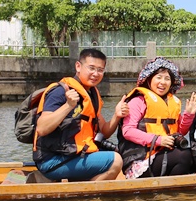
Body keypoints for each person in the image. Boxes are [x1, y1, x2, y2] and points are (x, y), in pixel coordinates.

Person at [34, 48, 127, 181]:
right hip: (52, 160)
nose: (96, 74)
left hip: (74, 155)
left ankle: (85, 188)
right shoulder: (60, 92)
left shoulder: (91, 95)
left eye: (100, 70)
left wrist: (117, 115)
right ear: (78, 66)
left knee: (119, 154)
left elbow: (104, 132)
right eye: (91, 68)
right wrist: (68, 106)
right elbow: (42, 128)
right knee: (116, 161)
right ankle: (88, 197)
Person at [118, 57, 196, 178]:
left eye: (167, 78)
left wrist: (189, 114)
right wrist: (158, 139)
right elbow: (127, 131)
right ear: (149, 80)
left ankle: (170, 192)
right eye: (159, 77)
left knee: (194, 155)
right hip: (141, 161)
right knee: (184, 156)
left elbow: (180, 132)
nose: (163, 82)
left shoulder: (171, 103)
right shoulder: (138, 101)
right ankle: (170, 192)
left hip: (164, 155)